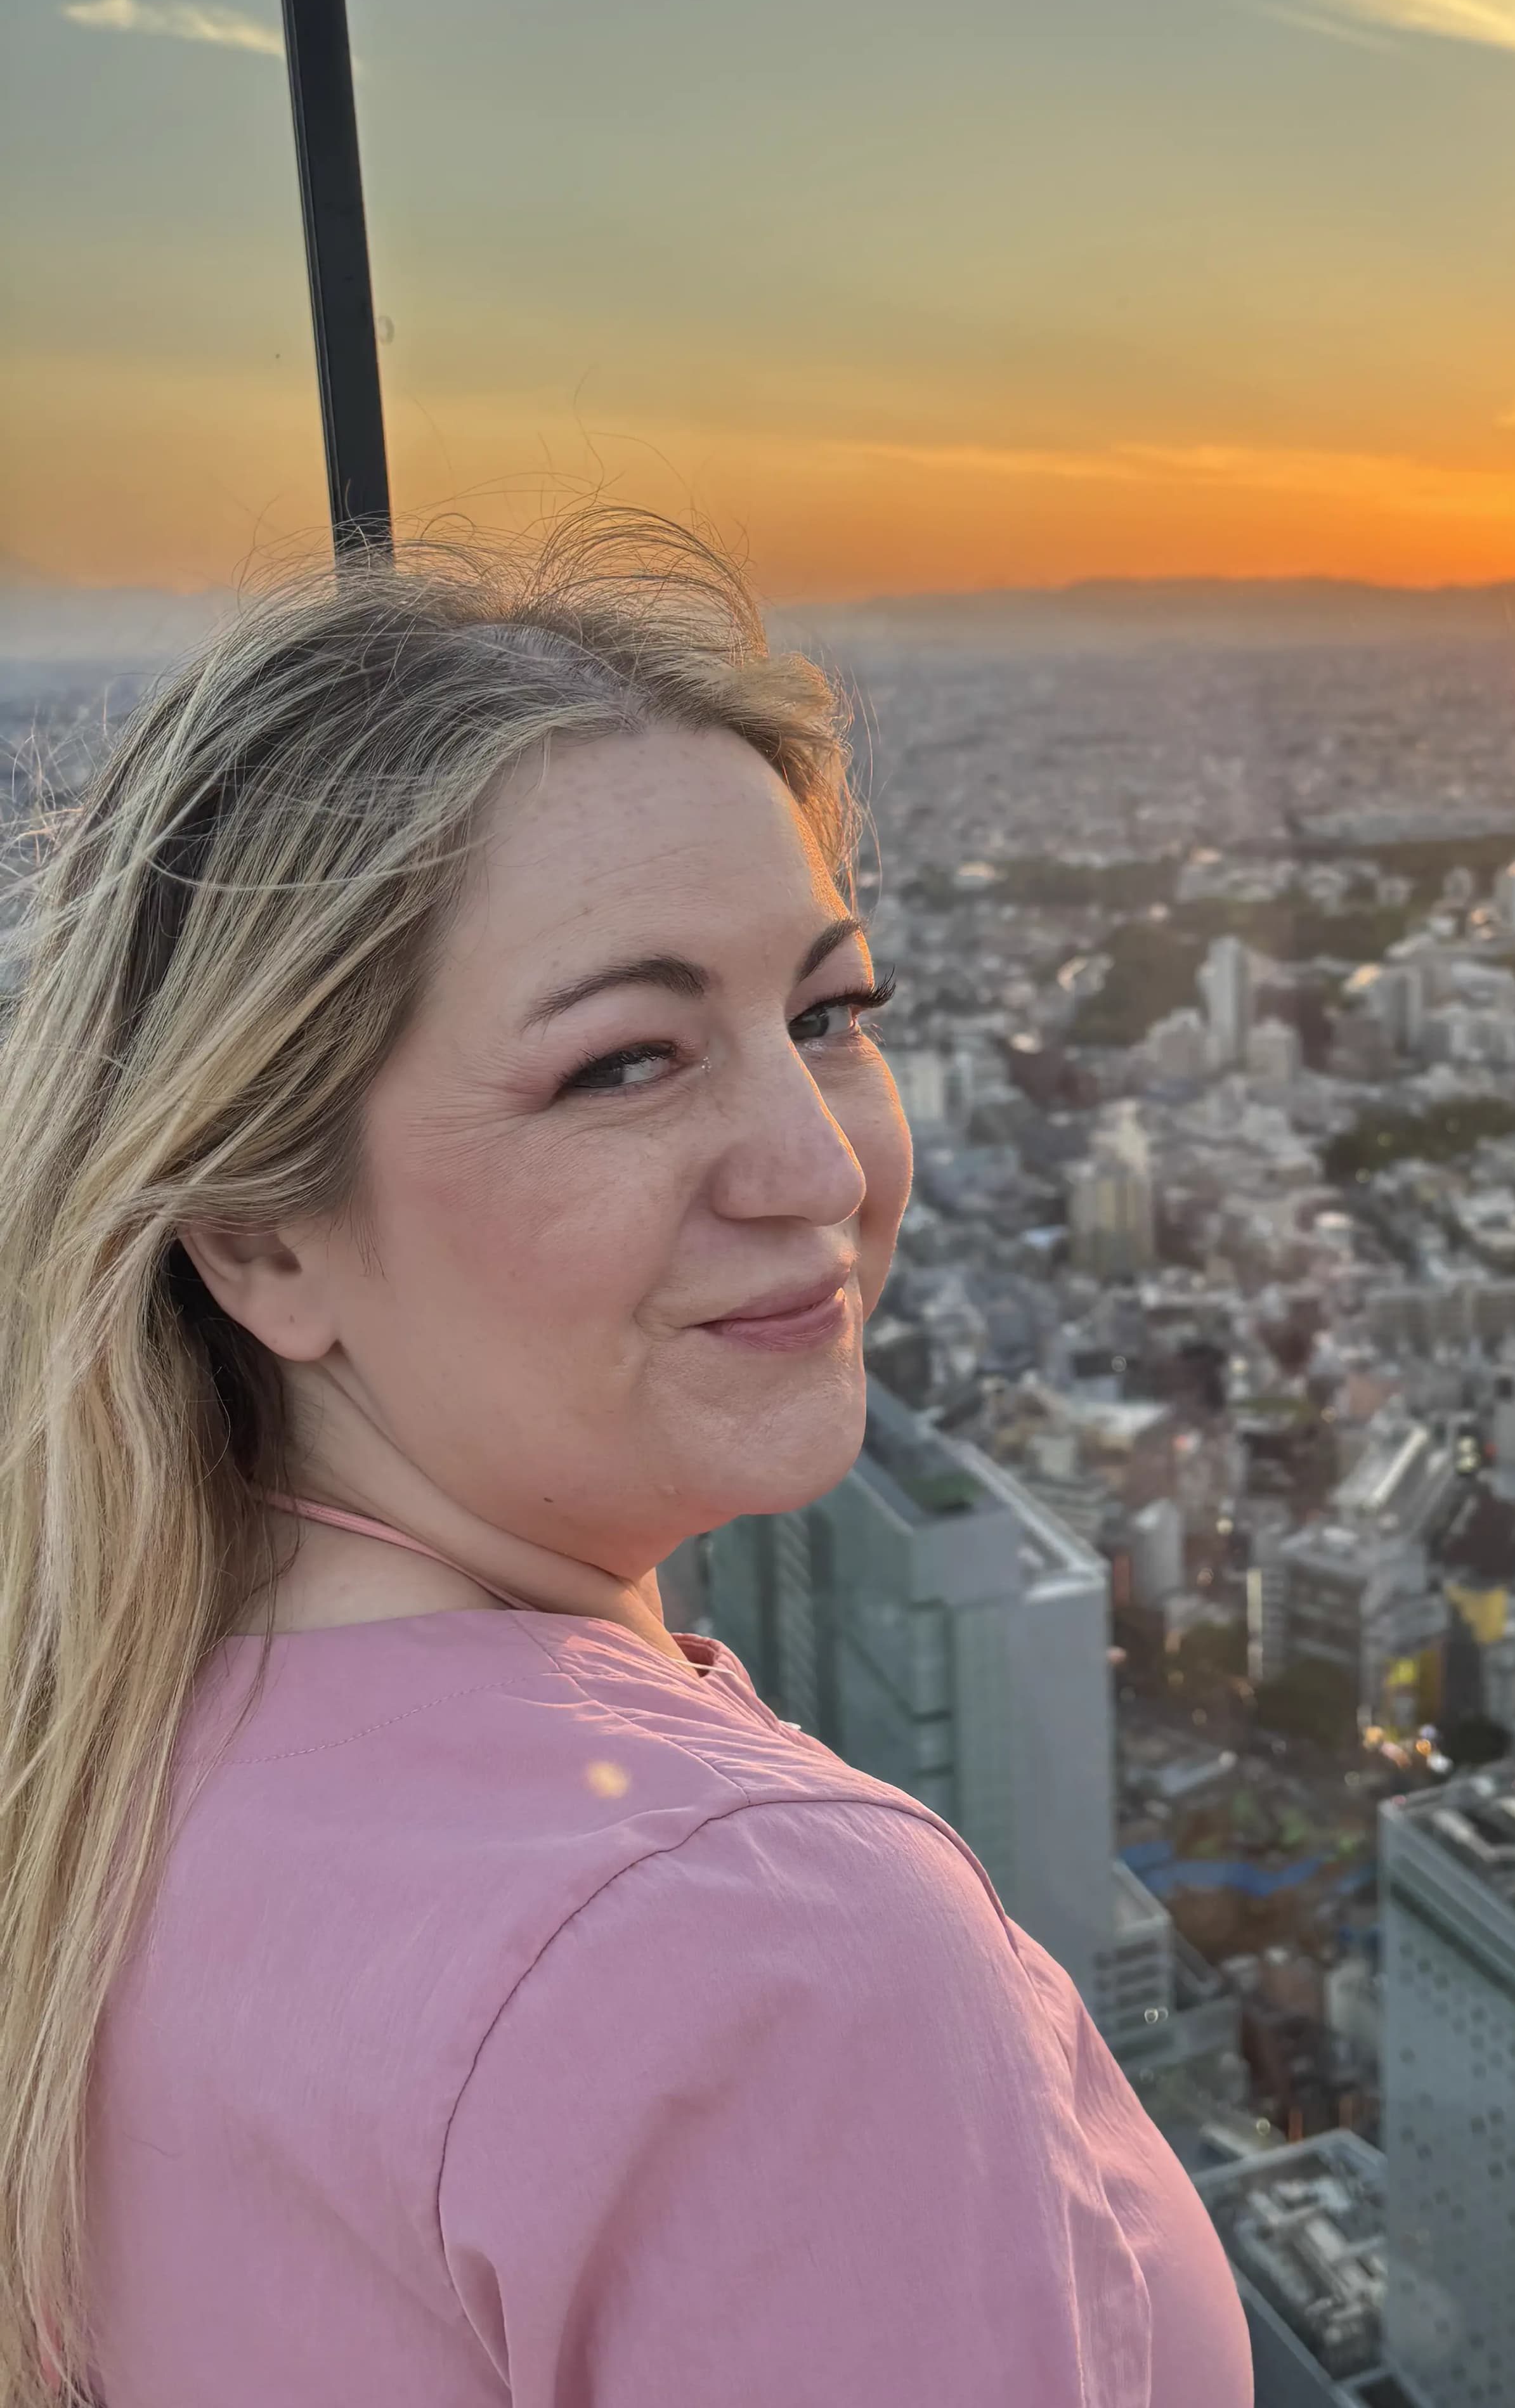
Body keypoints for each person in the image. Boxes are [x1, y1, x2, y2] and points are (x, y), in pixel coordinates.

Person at [0, 516, 1254, 2407]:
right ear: (262, 1238)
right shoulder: (757, 1951)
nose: (822, 1169)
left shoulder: (85, 1771)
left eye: (829, 1018)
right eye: (626, 1064)